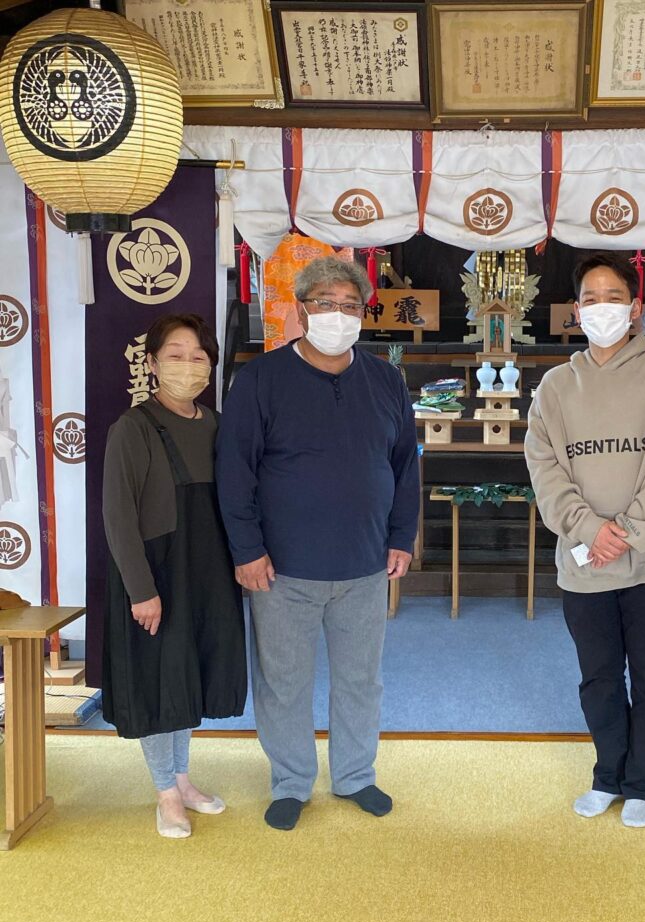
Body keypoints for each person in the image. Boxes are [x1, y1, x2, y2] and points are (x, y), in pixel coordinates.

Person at [217, 256, 419, 831]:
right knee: (284, 682)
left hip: (365, 565)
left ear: (364, 312)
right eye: (326, 304)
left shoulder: (385, 380)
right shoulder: (260, 379)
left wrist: (402, 535)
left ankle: (355, 775)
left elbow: (405, 466)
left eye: (349, 305)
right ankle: (290, 781)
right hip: (281, 570)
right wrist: (246, 550)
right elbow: (236, 472)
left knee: (362, 678)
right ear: (302, 311)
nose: (338, 314)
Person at [525, 252, 645, 829]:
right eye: (591, 299)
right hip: (584, 563)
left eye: (614, 297)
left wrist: (623, 534)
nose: (603, 307)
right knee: (598, 675)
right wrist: (588, 529)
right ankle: (609, 774)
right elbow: (545, 469)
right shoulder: (555, 386)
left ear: (636, 306)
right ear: (578, 311)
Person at [102, 314, 247, 839]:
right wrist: (142, 591)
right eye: (176, 354)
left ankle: (184, 779)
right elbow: (118, 518)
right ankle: (165, 793)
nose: (188, 365)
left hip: (206, 569)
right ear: (152, 363)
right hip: (155, 571)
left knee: (188, 675)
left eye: (198, 356)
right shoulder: (132, 429)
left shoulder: (213, 422)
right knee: (157, 681)